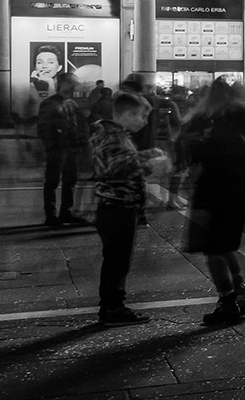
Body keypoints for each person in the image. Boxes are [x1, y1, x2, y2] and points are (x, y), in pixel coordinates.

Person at [178, 78, 245, 326]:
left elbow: (187, 154)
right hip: (240, 184)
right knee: (225, 243)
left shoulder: (199, 121)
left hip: (211, 185)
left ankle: (228, 300)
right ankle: (238, 288)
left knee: (213, 247)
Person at [90, 93, 161, 326]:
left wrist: (147, 154)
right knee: (117, 260)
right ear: (128, 114)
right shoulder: (113, 137)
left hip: (115, 205)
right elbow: (117, 168)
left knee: (116, 259)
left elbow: (122, 159)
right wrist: (151, 165)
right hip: (118, 205)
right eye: (142, 116)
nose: (144, 121)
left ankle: (110, 306)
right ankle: (113, 308)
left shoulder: (112, 135)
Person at [38, 72, 88, 228]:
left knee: (70, 181)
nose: (73, 86)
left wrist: (81, 141)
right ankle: (51, 215)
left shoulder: (72, 104)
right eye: (70, 83)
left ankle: (66, 211)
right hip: (57, 149)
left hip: (71, 148)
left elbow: (79, 124)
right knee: (52, 181)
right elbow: (43, 128)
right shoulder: (50, 104)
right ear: (62, 84)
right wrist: (51, 146)